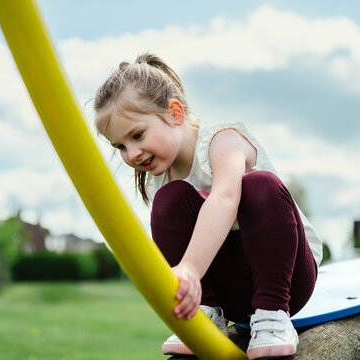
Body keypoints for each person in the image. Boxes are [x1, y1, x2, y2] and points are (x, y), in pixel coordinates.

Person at [93, 53, 322, 359]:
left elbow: (225, 199)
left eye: (137, 135)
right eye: (120, 146)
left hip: (288, 279)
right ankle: (205, 314)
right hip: (232, 293)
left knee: (258, 185)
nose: (131, 154)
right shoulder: (161, 181)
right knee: (169, 200)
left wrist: (188, 268)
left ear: (175, 113)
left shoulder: (223, 141)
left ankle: (272, 316)